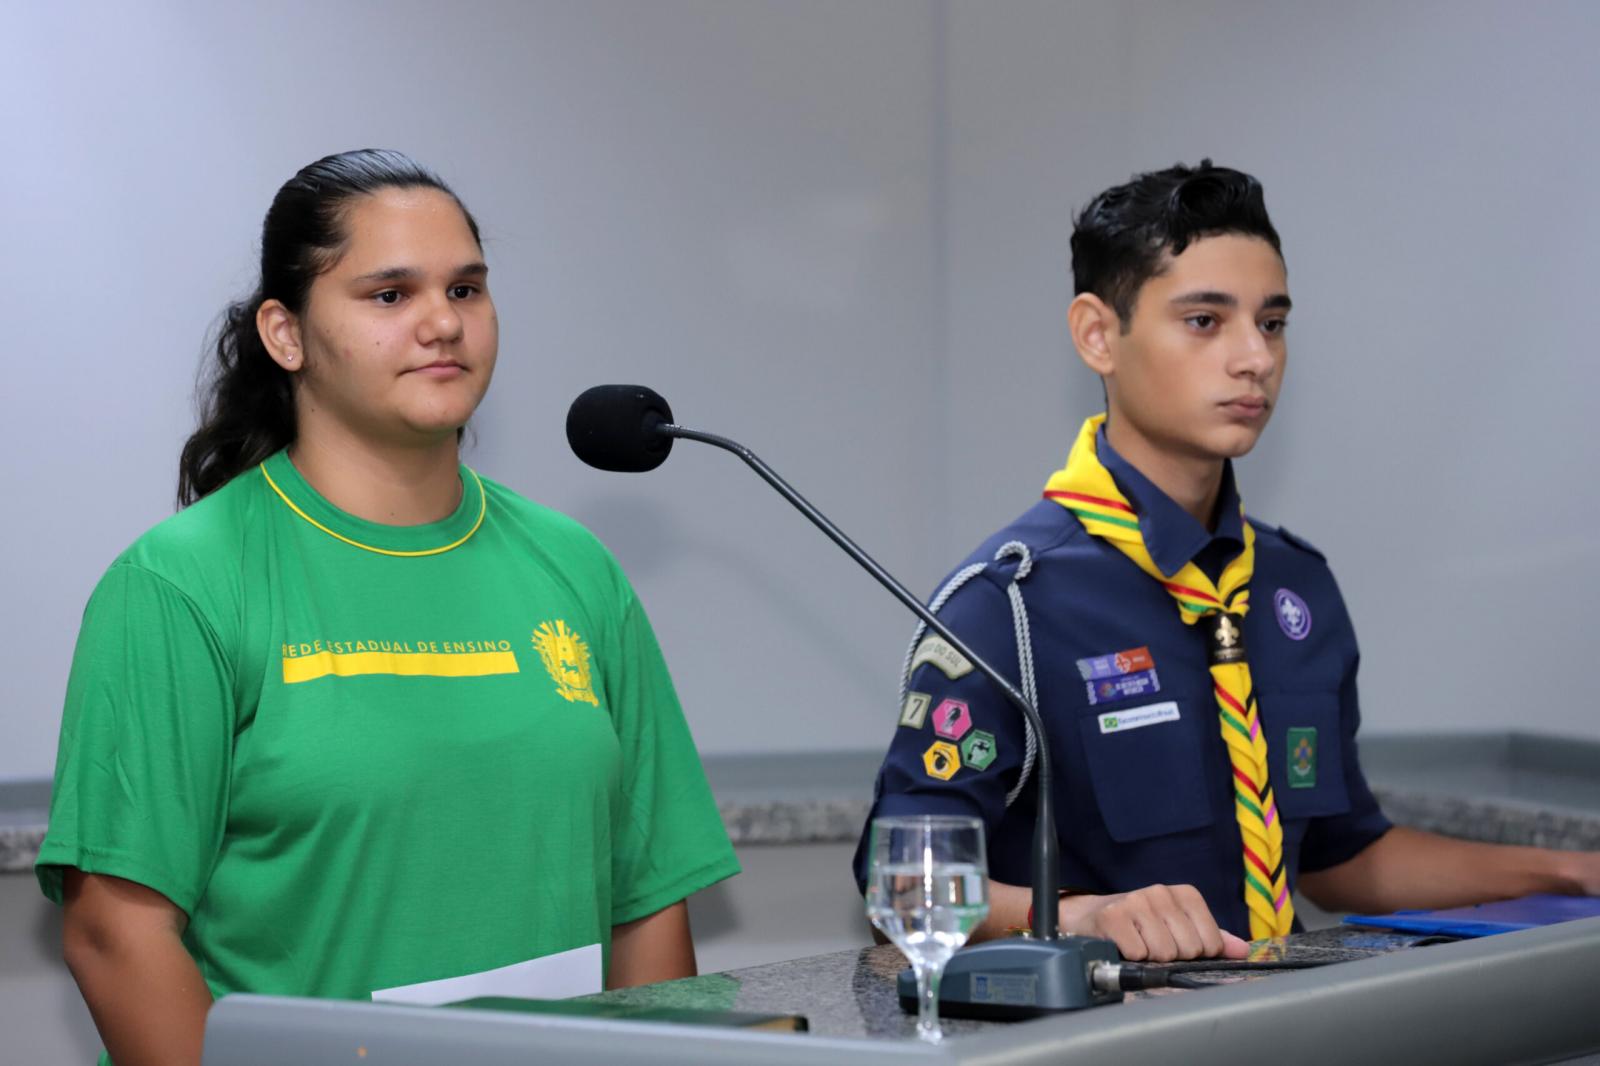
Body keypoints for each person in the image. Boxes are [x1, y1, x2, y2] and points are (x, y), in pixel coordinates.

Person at [36, 149, 739, 1066]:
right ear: (285, 336)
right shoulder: (181, 585)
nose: (443, 323)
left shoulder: (578, 570)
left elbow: (647, 900)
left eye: (468, 289)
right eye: (389, 295)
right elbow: (112, 936)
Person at [854, 160, 1599, 963]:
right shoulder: (1008, 605)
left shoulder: (1293, 584)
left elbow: (1338, 854)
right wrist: (1081, 916)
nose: (1256, 358)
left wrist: (1567, 869)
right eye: (1206, 321)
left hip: (1294, 1022)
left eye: (1271, 323)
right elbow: (903, 883)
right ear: (1098, 334)